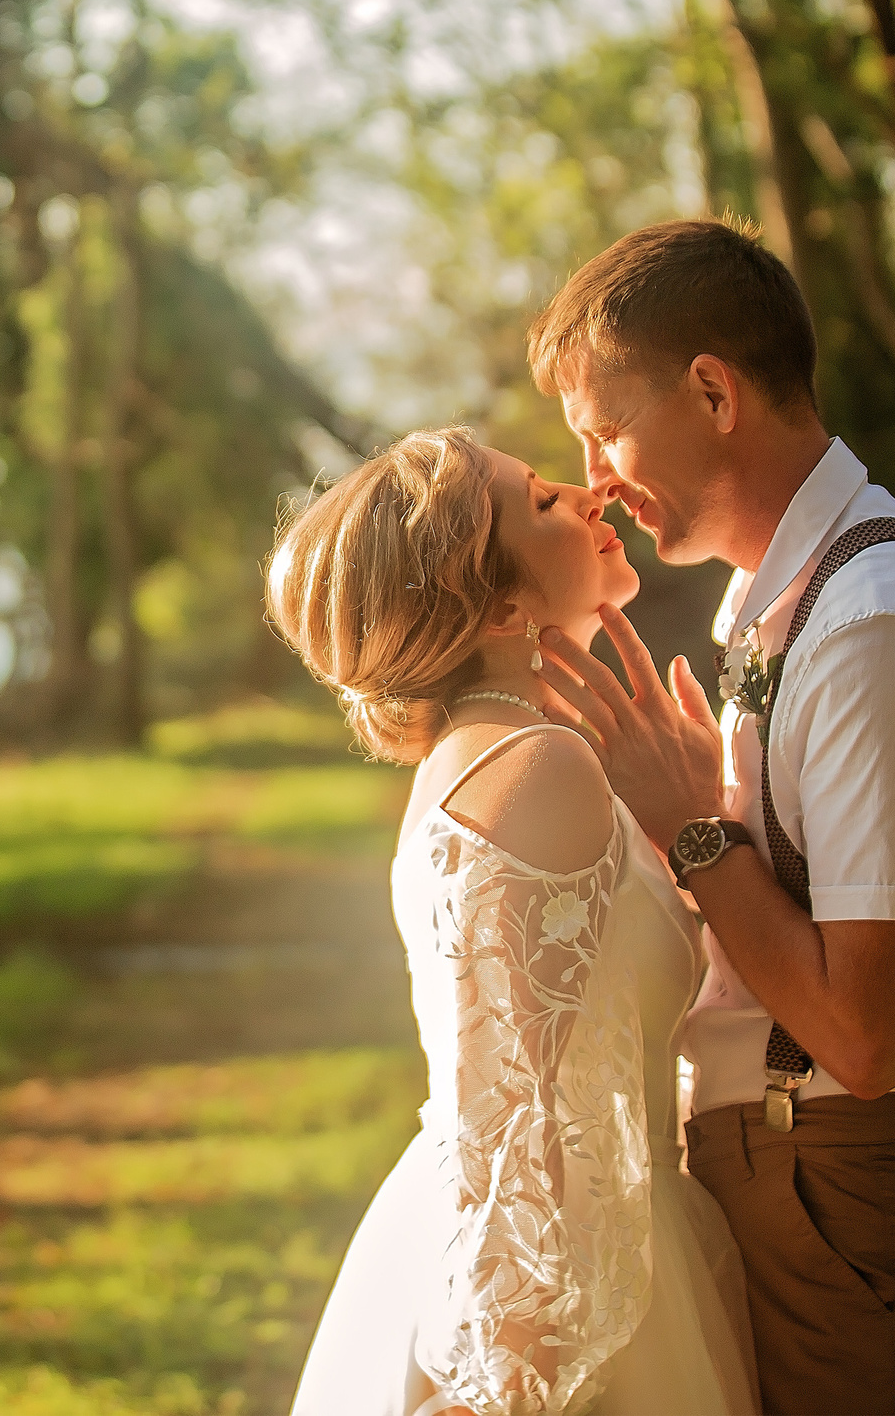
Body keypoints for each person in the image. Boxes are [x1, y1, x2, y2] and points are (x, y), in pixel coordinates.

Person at [524, 217, 895, 1416]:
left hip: (855, 1206)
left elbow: (863, 1038)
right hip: (797, 1183)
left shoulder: (876, 628)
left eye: (606, 426)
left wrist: (691, 835)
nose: (595, 476)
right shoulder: (780, 603)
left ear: (714, 394)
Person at [271, 425, 759, 1416]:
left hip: (568, 1246)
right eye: (541, 500)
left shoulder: (491, 754)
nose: (589, 494)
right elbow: (507, 1119)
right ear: (498, 604)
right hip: (555, 1295)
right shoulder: (535, 766)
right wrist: (509, 1386)